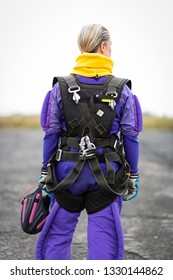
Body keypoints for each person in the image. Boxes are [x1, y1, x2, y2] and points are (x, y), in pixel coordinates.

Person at [35, 23, 143, 260]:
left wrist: (45, 170)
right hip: (107, 174)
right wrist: (132, 175)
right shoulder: (123, 90)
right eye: (111, 45)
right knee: (105, 240)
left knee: (57, 235)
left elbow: (51, 133)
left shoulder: (59, 87)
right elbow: (131, 136)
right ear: (104, 46)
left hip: (66, 173)